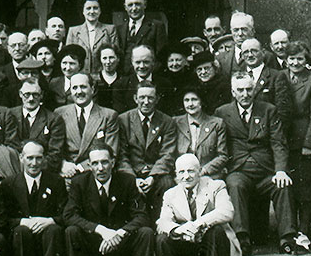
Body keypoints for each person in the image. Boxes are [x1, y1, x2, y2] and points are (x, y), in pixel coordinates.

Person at [215, 73, 297, 255]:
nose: (245, 94)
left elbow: (278, 142)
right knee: (234, 185)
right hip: (239, 170)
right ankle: (241, 238)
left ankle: (287, 238)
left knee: (282, 185)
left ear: (255, 90)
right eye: (240, 90)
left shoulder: (268, 110)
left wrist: (281, 170)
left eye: (249, 89)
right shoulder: (222, 112)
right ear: (233, 92)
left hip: (265, 169)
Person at [63, 142, 154, 256]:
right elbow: (69, 215)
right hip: (93, 244)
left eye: (105, 162)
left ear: (113, 161)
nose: (101, 168)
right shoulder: (79, 183)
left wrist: (119, 233)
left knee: (146, 232)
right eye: (95, 163)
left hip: (121, 243)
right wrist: (100, 230)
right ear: (89, 165)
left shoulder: (127, 181)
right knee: (72, 231)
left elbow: (142, 215)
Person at [154, 153, 241, 256]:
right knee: (162, 239)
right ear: (176, 175)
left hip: (213, 249)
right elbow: (162, 222)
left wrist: (198, 224)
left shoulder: (216, 185)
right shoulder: (170, 194)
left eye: (191, 171)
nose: (186, 176)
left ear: (200, 171)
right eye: (181, 172)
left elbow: (227, 211)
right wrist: (179, 229)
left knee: (216, 230)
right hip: (189, 247)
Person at [2, 141, 66, 256]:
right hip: (21, 239)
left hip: (47, 238)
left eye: (38, 158)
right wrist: (23, 221)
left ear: (44, 159)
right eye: (29, 158)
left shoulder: (56, 182)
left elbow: (66, 214)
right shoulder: (9, 184)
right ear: (21, 158)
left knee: (54, 230)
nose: (34, 163)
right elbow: (2, 217)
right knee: (21, 231)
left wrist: (49, 221)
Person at [283, 41, 311, 242]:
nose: (295, 62)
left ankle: (305, 228)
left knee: (305, 186)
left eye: (300, 58)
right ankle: (289, 229)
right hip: (284, 138)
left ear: (306, 60)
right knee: (288, 186)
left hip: (304, 137)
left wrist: (309, 144)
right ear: (286, 59)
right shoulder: (280, 77)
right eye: (292, 58)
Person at [117, 82, 177, 218]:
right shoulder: (123, 120)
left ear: (157, 99)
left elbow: (168, 154)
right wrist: (133, 179)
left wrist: (152, 177)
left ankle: (161, 226)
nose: (146, 102)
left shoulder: (167, 121)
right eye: (142, 97)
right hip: (131, 172)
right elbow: (121, 155)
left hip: (156, 173)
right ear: (135, 98)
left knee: (167, 183)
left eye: (150, 98)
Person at [57, 73, 120, 180]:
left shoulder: (108, 116)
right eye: (75, 88)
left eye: (83, 87)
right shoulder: (60, 113)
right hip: (66, 173)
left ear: (93, 89)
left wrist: (80, 168)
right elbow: (55, 147)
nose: (79, 92)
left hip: (96, 173)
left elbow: (111, 151)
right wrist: (62, 164)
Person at [8, 79, 66, 173]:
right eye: (27, 94)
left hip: (42, 171)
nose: (31, 99)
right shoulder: (10, 115)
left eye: (35, 94)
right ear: (20, 94)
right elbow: (10, 145)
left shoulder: (53, 119)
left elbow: (55, 154)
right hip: (13, 171)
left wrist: (33, 167)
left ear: (41, 95)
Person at [173, 88, 228, 179]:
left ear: (201, 102)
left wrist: (204, 170)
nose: (190, 104)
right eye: (187, 100)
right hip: (181, 177)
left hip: (208, 175)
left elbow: (222, 156)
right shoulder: (175, 122)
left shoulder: (217, 124)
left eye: (194, 100)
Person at [239, 37, 293, 125]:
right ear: (241, 56)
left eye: (254, 51)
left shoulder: (276, 76)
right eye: (246, 52)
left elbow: (283, 111)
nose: (250, 55)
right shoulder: (238, 76)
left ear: (263, 52)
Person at [66, 0, 117, 78]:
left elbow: (115, 55)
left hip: (103, 77)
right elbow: (69, 58)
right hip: (80, 77)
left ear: (100, 11)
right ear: (83, 11)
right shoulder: (73, 31)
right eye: (88, 8)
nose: (92, 11)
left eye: (95, 8)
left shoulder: (110, 29)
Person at [114, 45, 172, 113]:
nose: (142, 66)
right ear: (132, 62)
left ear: (153, 62)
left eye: (146, 62)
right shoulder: (121, 85)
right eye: (138, 62)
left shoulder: (165, 84)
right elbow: (122, 116)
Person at [115, 0, 165, 67]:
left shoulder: (156, 26)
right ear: (125, 7)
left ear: (145, 5)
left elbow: (161, 57)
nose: (134, 8)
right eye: (130, 5)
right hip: (124, 76)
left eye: (137, 4)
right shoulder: (119, 29)